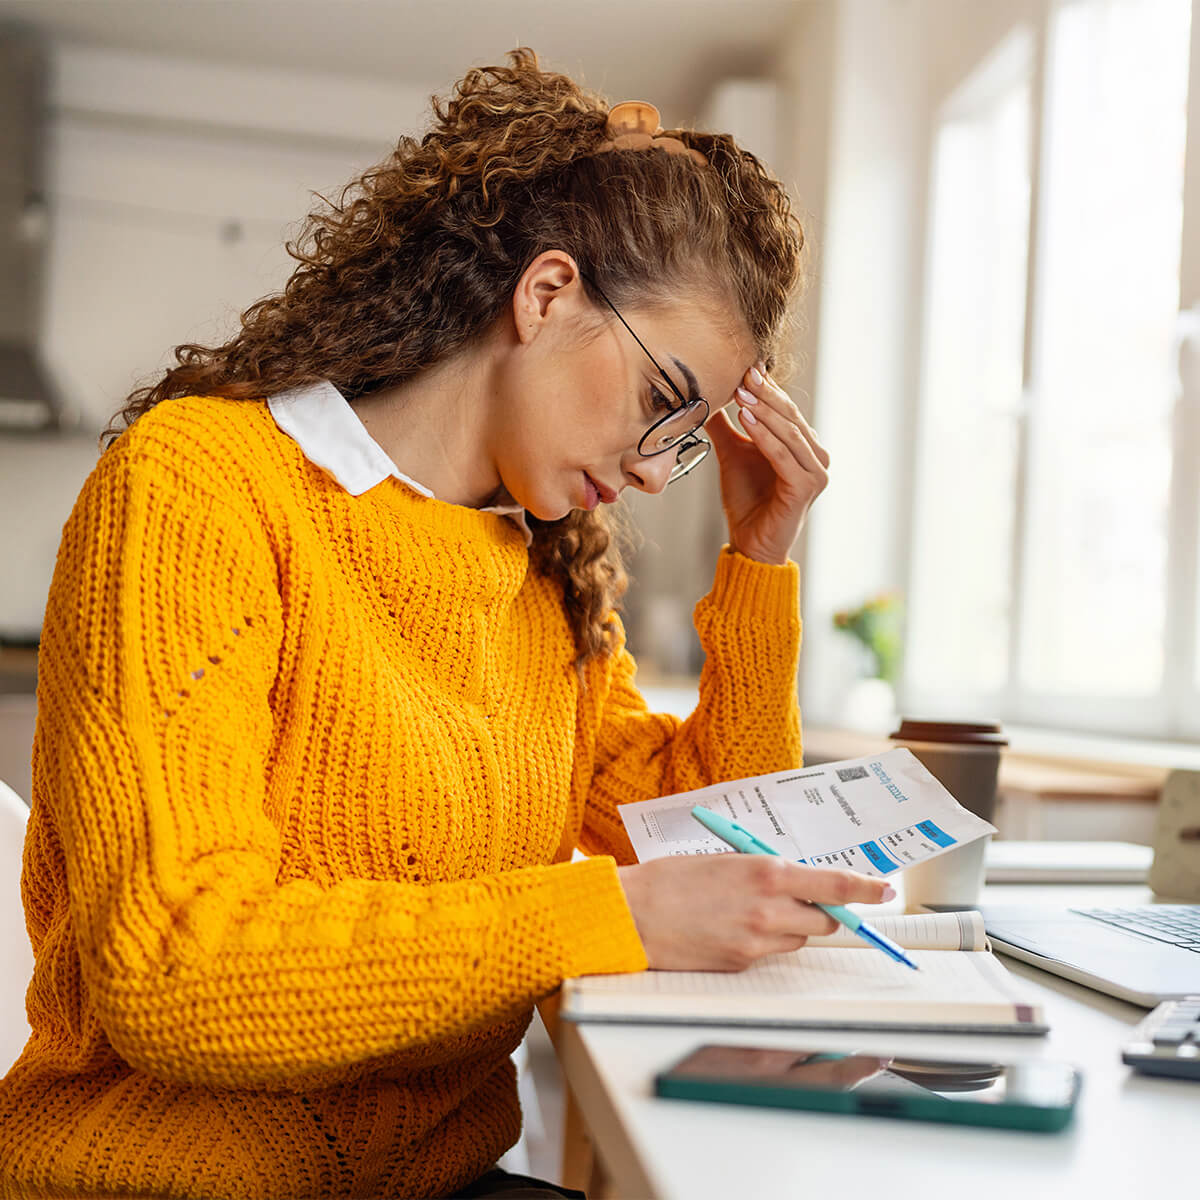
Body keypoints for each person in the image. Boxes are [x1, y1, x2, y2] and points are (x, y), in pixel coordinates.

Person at [0, 49, 893, 1200]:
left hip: (432, 1178)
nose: (662, 470)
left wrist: (761, 559)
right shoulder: (200, 487)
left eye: (691, 435)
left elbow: (722, 849)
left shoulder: (545, 575)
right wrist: (599, 913)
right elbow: (176, 972)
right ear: (547, 293)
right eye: (664, 404)